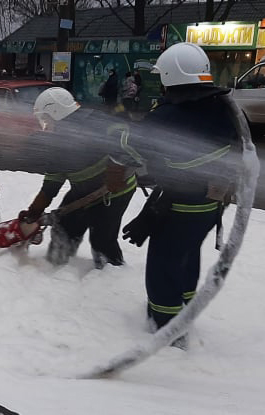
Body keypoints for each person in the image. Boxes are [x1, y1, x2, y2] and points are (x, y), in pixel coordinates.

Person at [120, 43, 241, 348]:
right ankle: (184, 310)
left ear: (171, 75)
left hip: (180, 207)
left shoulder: (170, 117)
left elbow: (131, 147)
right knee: (186, 257)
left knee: (163, 268)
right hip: (211, 205)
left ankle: (168, 331)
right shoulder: (221, 107)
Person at [19, 87, 137, 269]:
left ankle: (111, 271)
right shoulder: (59, 141)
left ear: (55, 111)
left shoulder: (95, 122)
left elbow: (126, 140)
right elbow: (51, 186)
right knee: (64, 226)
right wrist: (34, 212)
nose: (45, 123)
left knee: (102, 238)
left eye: (45, 118)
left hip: (115, 191)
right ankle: (56, 264)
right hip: (85, 191)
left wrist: (117, 165)